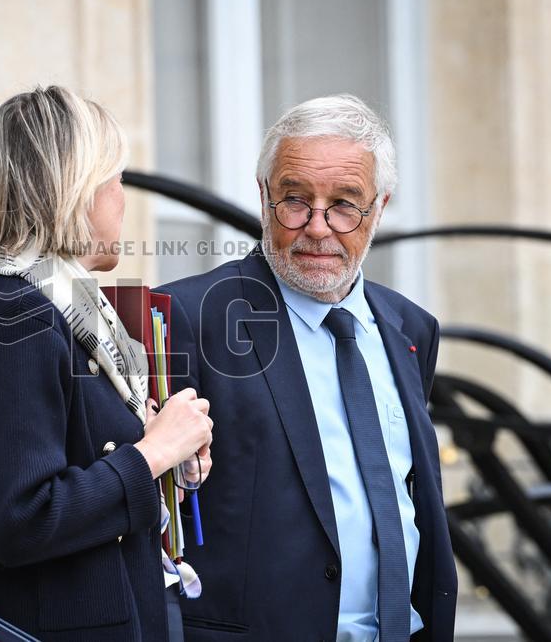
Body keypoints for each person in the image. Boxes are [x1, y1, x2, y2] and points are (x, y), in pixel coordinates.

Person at [157, 94, 457, 642]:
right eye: (295, 200)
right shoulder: (186, 319)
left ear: (381, 206)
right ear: (264, 196)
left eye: (345, 204)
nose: (317, 227)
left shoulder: (412, 329)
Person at [0, 85, 214, 641]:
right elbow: (22, 517)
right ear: (76, 189)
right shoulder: (17, 310)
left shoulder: (63, 305)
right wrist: (152, 452)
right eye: (116, 178)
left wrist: (169, 463)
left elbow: (83, 471)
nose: (122, 197)